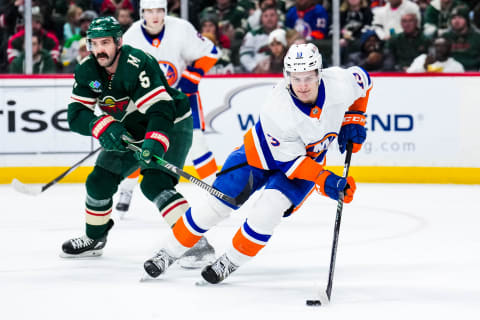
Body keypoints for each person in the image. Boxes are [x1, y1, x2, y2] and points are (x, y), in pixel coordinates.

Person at [140, 43, 372, 284]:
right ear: (286, 75)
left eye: (308, 78)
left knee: (267, 212)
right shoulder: (278, 108)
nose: (302, 86)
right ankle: (167, 253)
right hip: (258, 157)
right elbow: (292, 163)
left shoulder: (340, 83)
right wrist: (325, 180)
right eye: (296, 78)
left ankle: (230, 261)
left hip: (305, 161)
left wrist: (355, 117)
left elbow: (364, 80)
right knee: (216, 206)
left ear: (319, 73)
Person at [61, 16, 213, 268]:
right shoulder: (87, 70)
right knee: (98, 181)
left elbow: (161, 109)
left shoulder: (137, 63)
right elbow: (76, 114)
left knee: (155, 183)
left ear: (118, 42)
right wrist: (101, 125)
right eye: (95, 43)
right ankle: (95, 238)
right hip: (130, 127)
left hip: (170, 122)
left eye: (106, 43)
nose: (100, 50)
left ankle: (195, 243)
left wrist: (154, 142)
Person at [117, 0, 221, 217]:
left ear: (165, 11)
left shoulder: (181, 28)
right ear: (141, 12)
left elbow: (211, 52)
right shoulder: (132, 37)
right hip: (149, 101)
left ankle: (217, 192)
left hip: (182, 99)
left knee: (198, 143)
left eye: (159, 10)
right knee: (141, 145)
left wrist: (191, 77)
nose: (154, 16)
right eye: (149, 11)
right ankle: (126, 190)